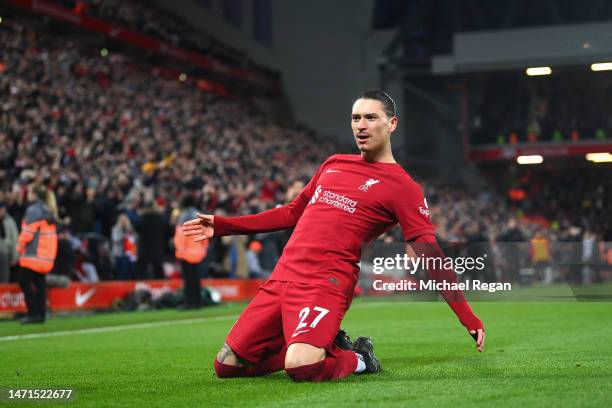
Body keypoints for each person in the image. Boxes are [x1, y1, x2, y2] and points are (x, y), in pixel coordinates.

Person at [183, 90, 485, 382]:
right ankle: (322, 345)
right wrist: (223, 225)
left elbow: (429, 252)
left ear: (392, 124)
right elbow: (290, 213)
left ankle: (360, 359)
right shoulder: (334, 163)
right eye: (355, 118)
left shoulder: (404, 187)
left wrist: (467, 317)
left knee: (301, 368)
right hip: (283, 277)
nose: (361, 126)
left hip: (326, 281)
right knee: (226, 365)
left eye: (370, 117)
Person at [17, 184, 58, 324]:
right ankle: (41, 314)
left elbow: (28, 233)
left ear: (34, 195)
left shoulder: (34, 210)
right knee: (40, 283)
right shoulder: (48, 209)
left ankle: (33, 313)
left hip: (33, 255)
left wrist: (18, 246)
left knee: (24, 282)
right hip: (46, 255)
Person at [174, 196, 209, 309]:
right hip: (198, 254)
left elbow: (180, 237)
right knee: (197, 279)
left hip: (186, 254)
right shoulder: (199, 217)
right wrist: (203, 251)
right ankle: (198, 302)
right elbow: (205, 237)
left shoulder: (183, 217)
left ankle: (189, 303)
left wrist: (180, 253)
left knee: (188, 280)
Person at [0, 197, 19, 283]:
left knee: (4, 279)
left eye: (2, 209)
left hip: (5, 254)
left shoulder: (10, 221)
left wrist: (15, 256)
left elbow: (15, 240)